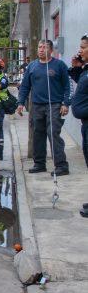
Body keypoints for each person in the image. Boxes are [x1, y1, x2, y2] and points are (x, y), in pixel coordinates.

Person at [17, 40, 71, 176]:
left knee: (53, 133)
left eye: (44, 47)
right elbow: (25, 86)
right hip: (36, 105)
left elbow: (67, 85)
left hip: (54, 105)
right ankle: (39, 164)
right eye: (40, 47)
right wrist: (21, 103)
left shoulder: (59, 65)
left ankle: (61, 166)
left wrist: (66, 103)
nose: (41, 50)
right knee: (37, 134)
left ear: (51, 50)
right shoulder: (32, 66)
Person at [68, 35, 88, 218]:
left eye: (83, 47)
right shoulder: (86, 70)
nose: (80, 50)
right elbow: (80, 83)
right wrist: (76, 68)